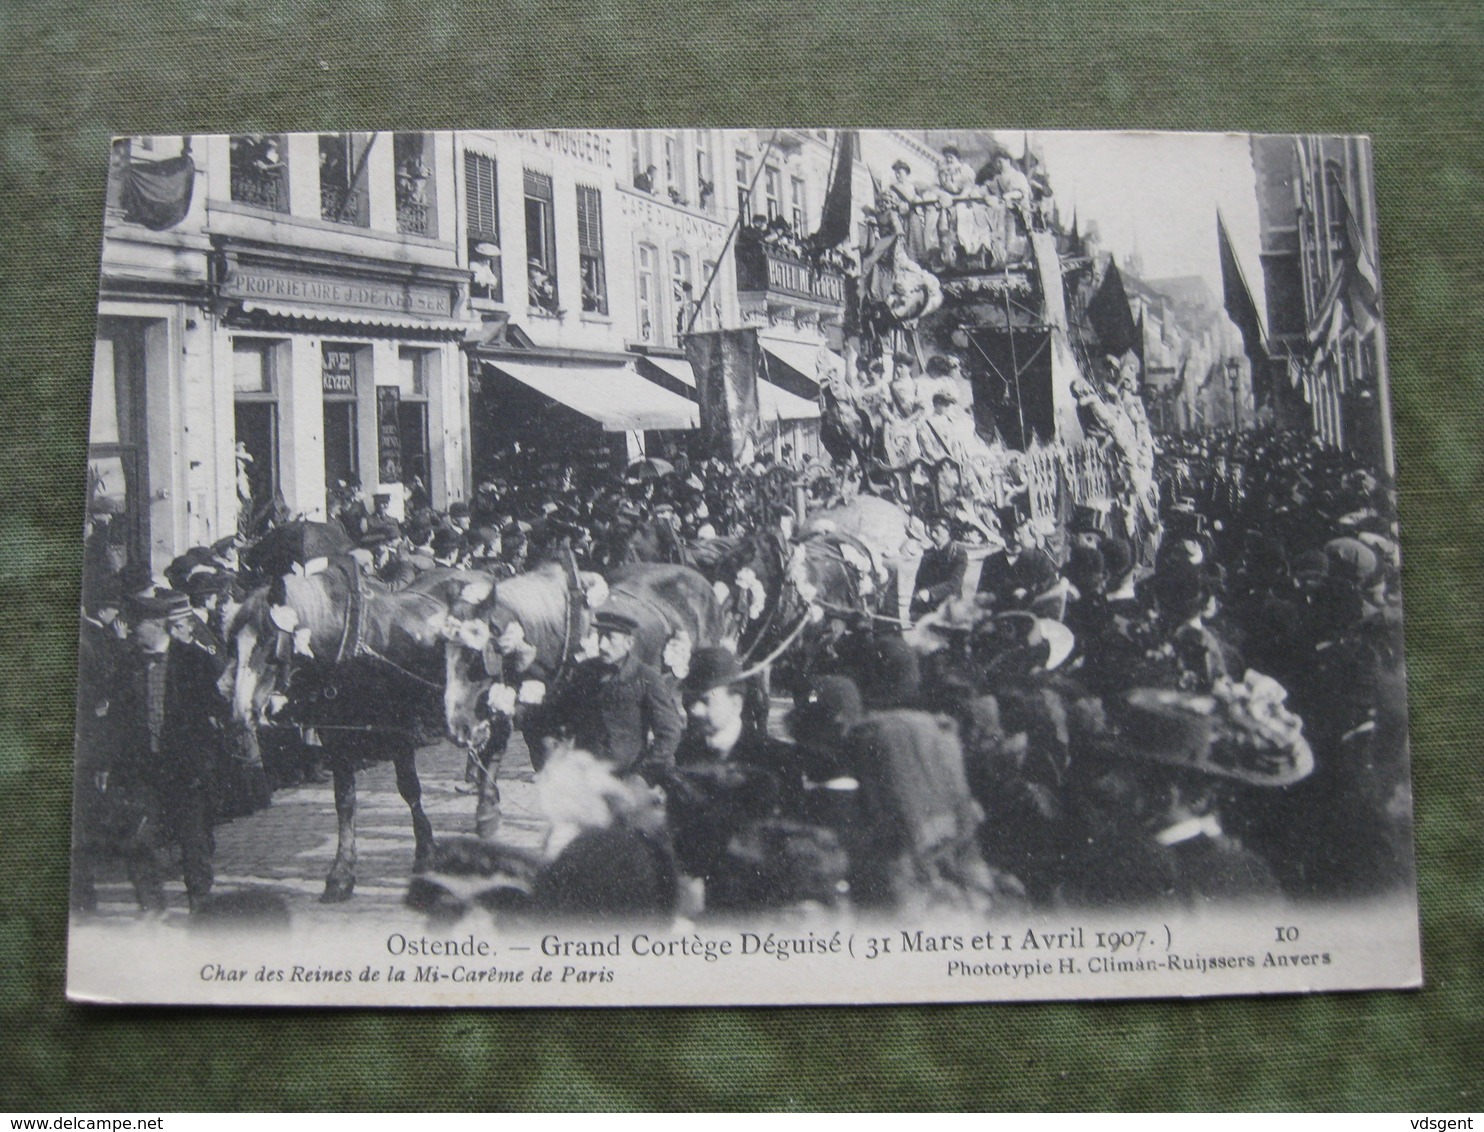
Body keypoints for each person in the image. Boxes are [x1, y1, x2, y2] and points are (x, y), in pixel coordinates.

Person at [109, 590, 227, 914]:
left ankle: (199, 905)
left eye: (137, 625)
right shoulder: (128, 663)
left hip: (185, 769)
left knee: (193, 841)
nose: (131, 631)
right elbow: (117, 718)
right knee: (138, 839)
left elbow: (219, 707)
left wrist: (204, 757)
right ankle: (151, 907)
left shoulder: (195, 660)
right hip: (143, 767)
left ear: (157, 624)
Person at [545, 609, 683, 782]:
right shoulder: (585, 671)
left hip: (626, 777)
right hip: (588, 777)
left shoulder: (646, 677)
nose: (602, 645)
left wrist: (641, 773)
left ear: (629, 643)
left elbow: (669, 732)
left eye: (610, 638)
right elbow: (560, 715)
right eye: (600, 636)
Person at [911, 516, 968, 619]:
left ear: (947, 531)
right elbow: (919, 583)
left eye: (936, 531)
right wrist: (914, 610)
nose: (933, 535)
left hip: (950, 610)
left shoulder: (958, 553)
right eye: (931, 531)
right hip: (928, 611)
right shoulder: (928, 554)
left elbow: (954, 584)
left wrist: (930, 593)